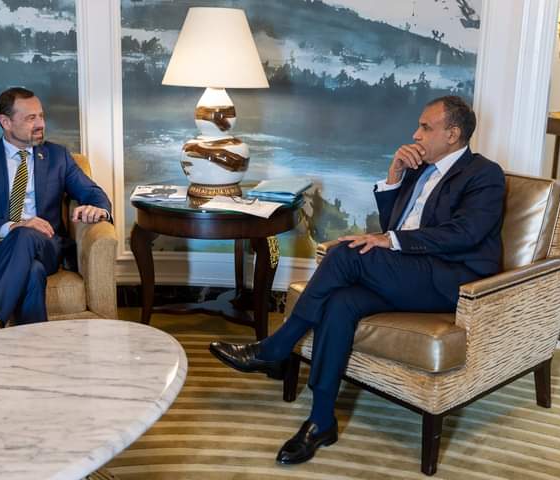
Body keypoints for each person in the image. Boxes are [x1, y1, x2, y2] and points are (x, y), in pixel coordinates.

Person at [209, 96, 505, 465]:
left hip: (449, 280)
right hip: (407, 272)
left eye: (425, 127)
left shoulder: (484, 174)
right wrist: (394, 176)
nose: (415, 134)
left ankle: (276, 348)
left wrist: (389, 241)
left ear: (453, 134)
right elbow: (394, 224)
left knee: (346, 252)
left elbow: (466, 233)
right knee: (341, 302)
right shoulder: (419, 168)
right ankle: (321, 420)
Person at [0, 87, 112, 335]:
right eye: (30, 118)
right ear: (5, 122)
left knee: (26, 236)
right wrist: (13, 226)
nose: (40, 124)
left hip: (44, 245)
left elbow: (93, 192)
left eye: (41, 116)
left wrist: (97, 208)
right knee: (33, 271)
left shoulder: (58, 156)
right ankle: (35, 349)